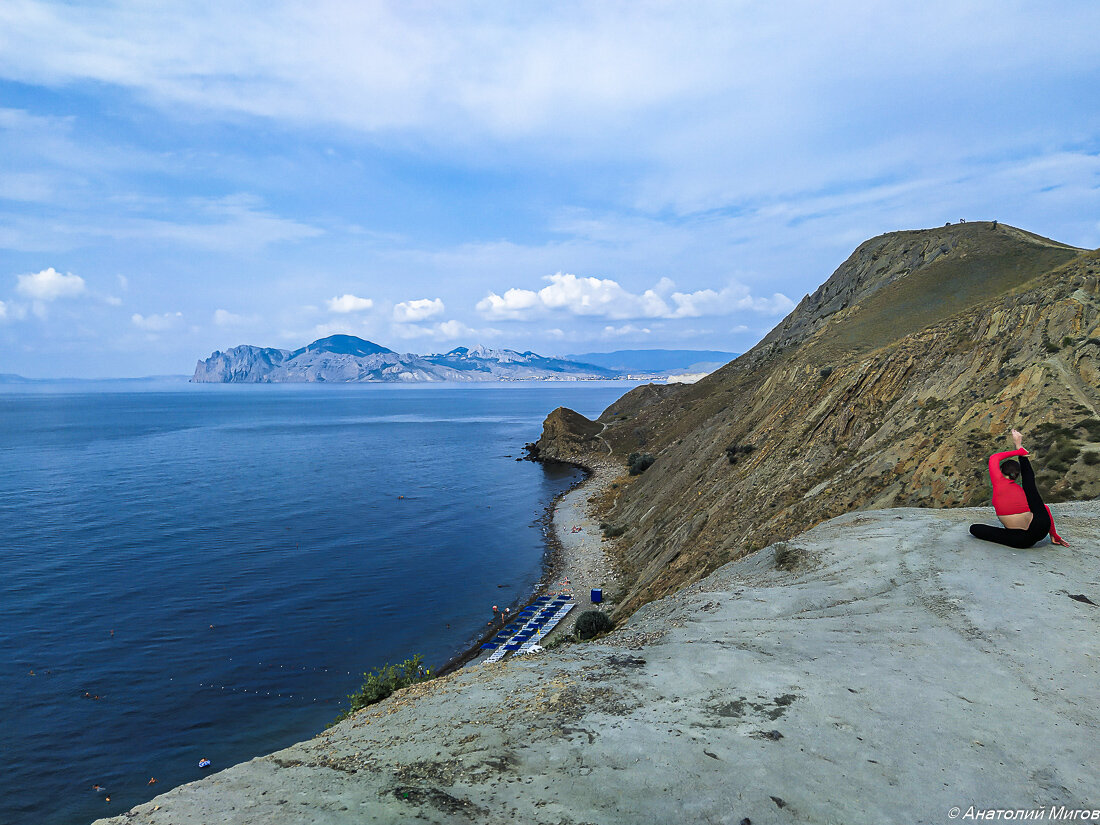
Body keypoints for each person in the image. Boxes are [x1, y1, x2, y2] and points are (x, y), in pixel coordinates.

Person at [969, 429, 1068, 548]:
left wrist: (1018, 451)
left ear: (1001, 471)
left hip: (1022, 539)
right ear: (1017, 475)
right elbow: (1045, 507)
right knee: (1031, 489)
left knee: (975, 528)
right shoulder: (1020, 490)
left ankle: (1021, 452)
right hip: (1041, 527)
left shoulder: (998, 481)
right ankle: (1053, 536)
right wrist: (1053, 534)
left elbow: (994, 458)